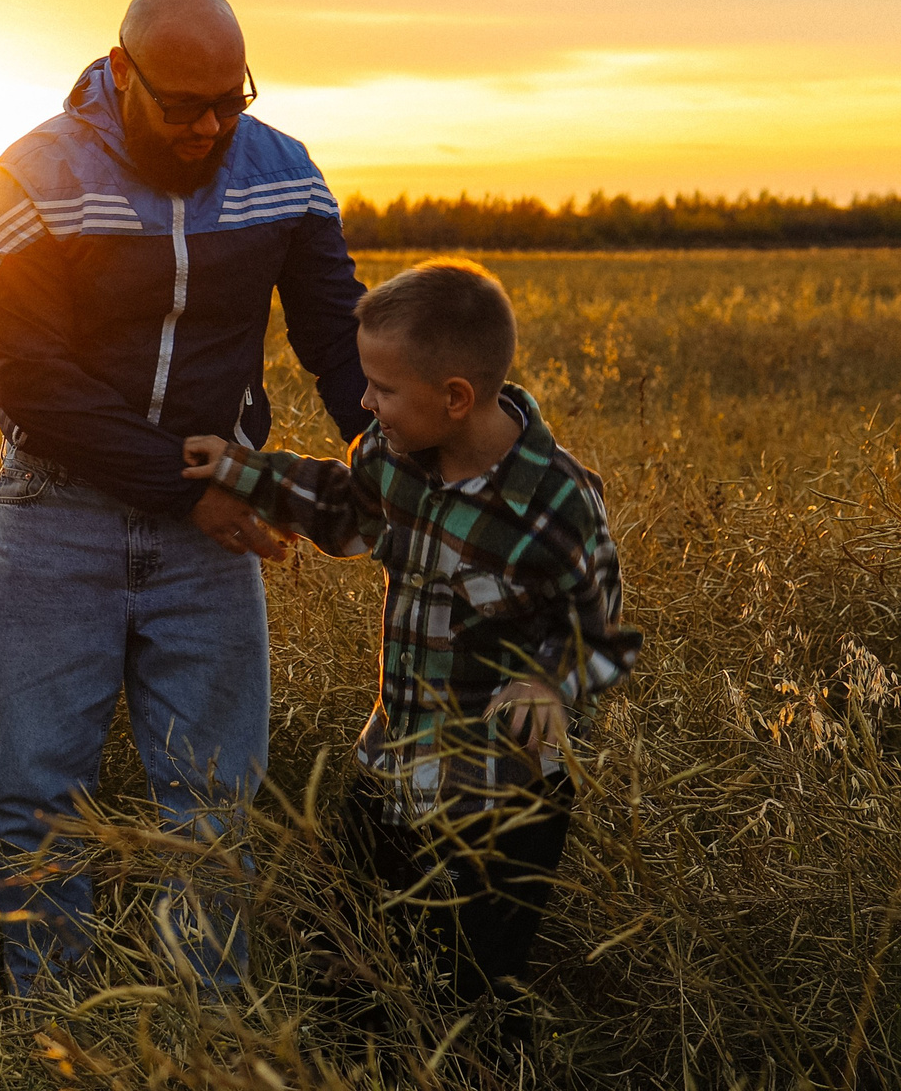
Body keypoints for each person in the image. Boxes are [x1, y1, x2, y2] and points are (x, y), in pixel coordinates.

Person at [0, 0, 372, 993]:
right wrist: (187, 489)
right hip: (59, 516)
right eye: (183, 106)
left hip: (210, 532)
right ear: (121, 72)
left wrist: (423, 467)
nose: (207, 129)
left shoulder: (284, 175)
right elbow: (33, 380)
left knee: (213, 804)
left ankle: (206, 1032)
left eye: (228, 103)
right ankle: (54, 1031)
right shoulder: (32, 177)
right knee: (37, 797)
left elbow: (340, 342)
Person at [183, 257, 638, 1060]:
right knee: (348, 966)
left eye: (382, 389)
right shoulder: (389, 459)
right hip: (387, 771)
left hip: (499, 803)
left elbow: (597, 624)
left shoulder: (557, 500)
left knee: (471, 996)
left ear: (455, 397)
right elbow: (341, 510)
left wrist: (548, 681)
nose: (364, 403)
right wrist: (239, 469)